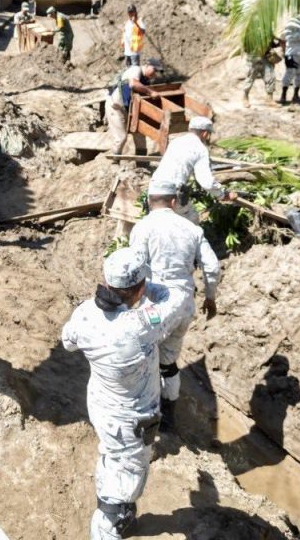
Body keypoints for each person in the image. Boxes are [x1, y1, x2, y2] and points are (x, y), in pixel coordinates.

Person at [62, 246, 189, 540]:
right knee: (128, 474)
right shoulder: (142, 325)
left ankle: (118, 510)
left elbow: (68, 341)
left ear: (106, 283)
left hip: (102, 404)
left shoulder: (85, 313)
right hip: (132, 420)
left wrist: (134, 289)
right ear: (139, 288)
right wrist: (147, 288)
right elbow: (178, 298)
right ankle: (110, 523)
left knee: (112, 455)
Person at [129, 179, 219, 433]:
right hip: (184, 304)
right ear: (173, 201)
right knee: (168, 362)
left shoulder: (143, 228)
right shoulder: (192, 229)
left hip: (155, 306)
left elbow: (135, 268)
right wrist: (210, 297)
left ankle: (145, 416)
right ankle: (169, 419)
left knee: (142, 356)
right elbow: (212, 267)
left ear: (149, 202)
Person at [149, 116, 229, 223]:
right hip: (172, 192)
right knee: (192, 222)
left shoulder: (175, 142)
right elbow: (207, 183)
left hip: (153, 189)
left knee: (160, 223)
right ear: (205, 133)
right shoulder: (200, 149)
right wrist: (223, 195)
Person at [106, 59, 161, 155]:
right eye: (154, 70)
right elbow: (133, 84)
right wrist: (151, 92)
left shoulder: (146, 80)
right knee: (121, 137)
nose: (155, 74)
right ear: (147, 65)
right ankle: (115, 161)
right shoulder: (136, 70)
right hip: (116, 107)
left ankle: (142, 163)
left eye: (157, 72)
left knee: (140, 134)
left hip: (130, 108)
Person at [243, 37, 283, 108]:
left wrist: (279, 43)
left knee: (271, 77)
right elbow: (245, 47)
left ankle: (269, 100)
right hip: (253, 58)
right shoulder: (250, 32)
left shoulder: (267, 30)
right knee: (250, 78)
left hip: (265, 58)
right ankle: (245, 98)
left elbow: (272, 44)